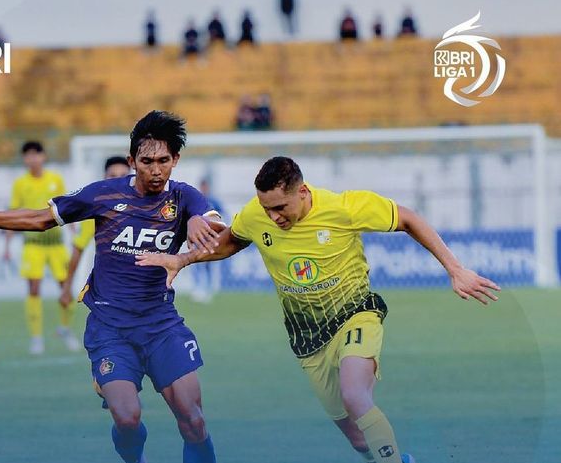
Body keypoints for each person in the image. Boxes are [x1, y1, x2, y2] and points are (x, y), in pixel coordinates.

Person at [136, 156, 501, 463]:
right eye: (267, 208)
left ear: (303, 192)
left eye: (281, 207)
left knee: (355, 395)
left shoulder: (343, 207)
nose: (274, 216)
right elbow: (232, 240)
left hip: (356, 313)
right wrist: (182, 260)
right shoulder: (256, 214)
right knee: (358, 439)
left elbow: (408, 218)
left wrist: (455, 269)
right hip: (308, 336)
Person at [0, 110, 223, 463]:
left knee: (193, 420)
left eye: (164, 160)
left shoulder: (185, 198)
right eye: (147, 161)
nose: (156, 170)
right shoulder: (102, 195)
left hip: (161, 324)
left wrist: (197, 222)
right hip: (110, 328)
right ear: (132, 160)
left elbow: (216, 229)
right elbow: (39, 219)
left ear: (176, 159)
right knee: (128, 419)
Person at [60, 155, 131, 410]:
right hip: (107, 301)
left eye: (123, 175)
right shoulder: (98, 213)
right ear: (104, 179)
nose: (118, 181)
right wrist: (67, 287)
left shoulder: (148, 212)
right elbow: (78, 251)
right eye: (112, 176)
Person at [5, 141, 79, 354]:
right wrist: (8, 244)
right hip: (33, 244)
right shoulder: (20, 184)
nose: (32, 159)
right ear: (24, 159)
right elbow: (13, 213)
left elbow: (67, 207)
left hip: (56, 244)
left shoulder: (55, 180)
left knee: (65, 287)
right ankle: (36, 337)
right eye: (28, 155)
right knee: (34, 289)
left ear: (43, 156)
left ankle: (65, 328)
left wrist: (73, 232)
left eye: (36, 154)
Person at [191, 178, 224, 303]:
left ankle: (208, 289)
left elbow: (222, 216)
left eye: (205, 186)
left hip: (211, 238)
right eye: (202, 186)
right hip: (199, 237)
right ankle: (198, 288)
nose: (204, 189)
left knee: (209, 264)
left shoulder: (214, 201)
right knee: (197, 263)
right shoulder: (196, 200)